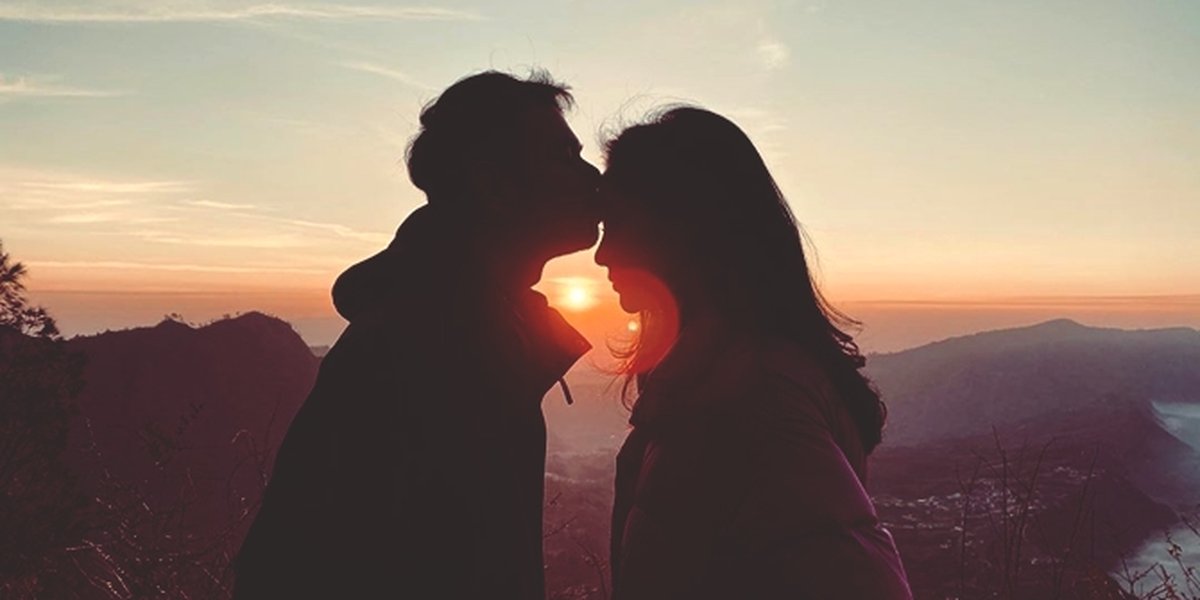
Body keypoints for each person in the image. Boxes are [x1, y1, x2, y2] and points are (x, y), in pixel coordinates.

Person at [233, 70, 601, 599]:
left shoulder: (464, 319)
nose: (592, 178)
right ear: (492, 185)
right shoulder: (434, 345)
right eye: (564, 159)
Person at [595, 106, 913, 599]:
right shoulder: (723, 379)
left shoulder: (754, 396)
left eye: (616, 224)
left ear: (684, 230)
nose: (602, 254)